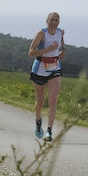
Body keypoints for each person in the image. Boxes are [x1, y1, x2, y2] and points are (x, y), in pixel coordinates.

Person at [28, 12, 66, 140]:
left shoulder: (61, 32)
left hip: (55, 68)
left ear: (59, 22)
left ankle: (49, 131)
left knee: (53, 100)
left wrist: (61, 52)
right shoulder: (41, 33)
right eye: (52, 20)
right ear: (47, 21)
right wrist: (48, 49)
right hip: (39, 69)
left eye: (56, 20)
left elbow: (62, 45)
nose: (54, 22)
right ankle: (38, 123)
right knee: (40, 101)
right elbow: (31, 53)